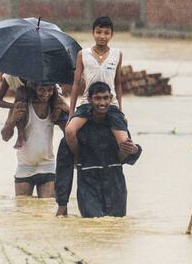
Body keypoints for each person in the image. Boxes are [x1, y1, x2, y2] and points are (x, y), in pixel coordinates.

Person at [56, 82, 142, 217]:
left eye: (105, 98)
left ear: (110, 99)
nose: (102, 102)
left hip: (115, 186)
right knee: (92, 226)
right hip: (89, 185)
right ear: (89, 100)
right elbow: (63, 168)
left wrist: (134, 150)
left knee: (115, 228)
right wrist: (62, 203)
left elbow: (128, 158)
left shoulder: (117, 125)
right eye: (98, 98)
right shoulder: (78, 131)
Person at [65, 16, 128, 160]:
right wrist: (71, 113)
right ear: (93, 33)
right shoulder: (82, 54)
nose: (102, 36)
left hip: (110, 104)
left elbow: (118, 83)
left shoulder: (117, 54)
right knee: (69, 131)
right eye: (99, 32)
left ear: (111, 35)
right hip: (88, 103)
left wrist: (121, 110)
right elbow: (75, 84)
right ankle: (79, 159)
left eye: (106, 33)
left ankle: (116, 163)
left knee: (125, 141)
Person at [1, 83, 61, 198]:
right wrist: (13, 119)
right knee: (23, 212)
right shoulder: (22, 107)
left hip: (48, 166)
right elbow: (5, 137)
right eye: (41, 90)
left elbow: (68, 128)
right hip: (25, 167)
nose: (46, 94)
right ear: (34, 88)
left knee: (46, 210)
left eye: (50, 90)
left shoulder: (54, 107)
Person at [0, 74, 67, 149]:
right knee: (20, 94)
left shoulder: (36, 70)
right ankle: (20, 133)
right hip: (25, 96)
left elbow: (53, 88)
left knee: (61, 113)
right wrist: (14, 106)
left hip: (50, 91)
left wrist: (57, 107)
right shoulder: (10, 76)